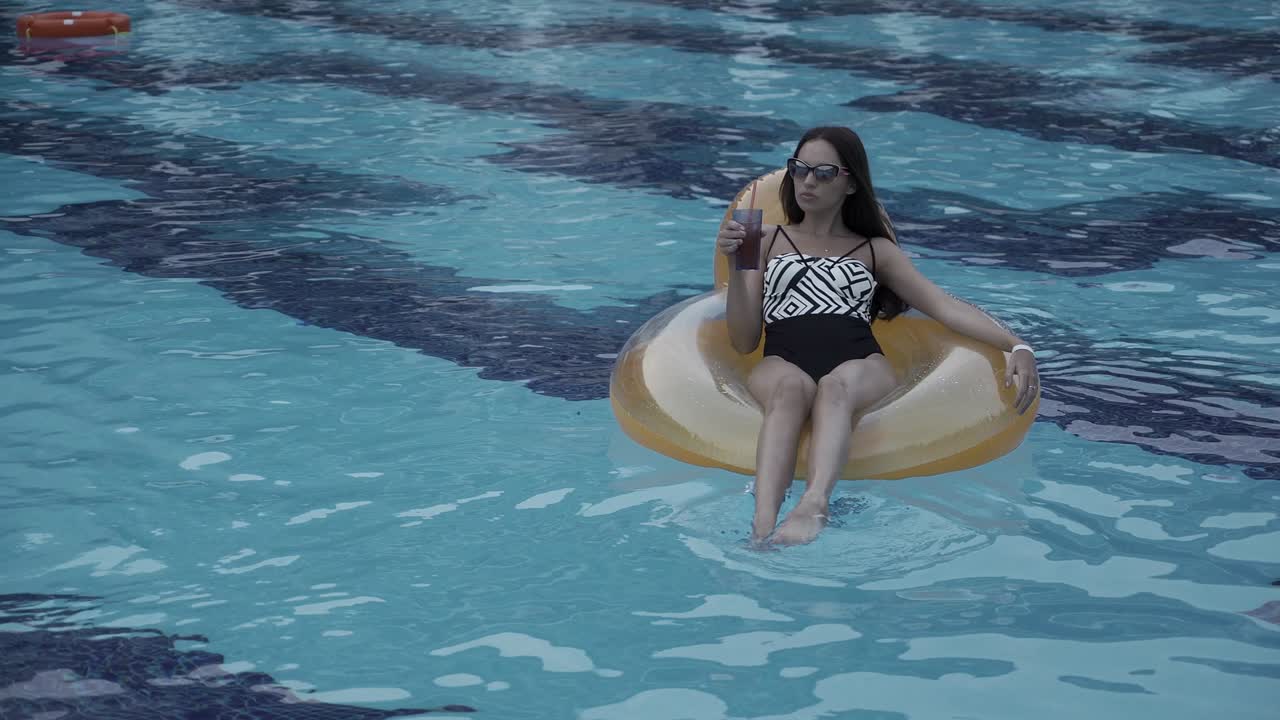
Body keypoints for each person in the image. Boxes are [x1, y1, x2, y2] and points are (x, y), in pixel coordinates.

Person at [716, 126, 1040, 546]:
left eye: (824, 173)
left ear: (851, 184)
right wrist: (738, 267)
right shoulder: (762, 240)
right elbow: (743, 340)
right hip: (782, 359)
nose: (808, 181)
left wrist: (1016, 344)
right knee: (790, 389)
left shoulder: (875, 250)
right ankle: (761, 527)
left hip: (859, 362)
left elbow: (942, 305)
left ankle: (814, 505)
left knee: (835, 387)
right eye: (799, 169)